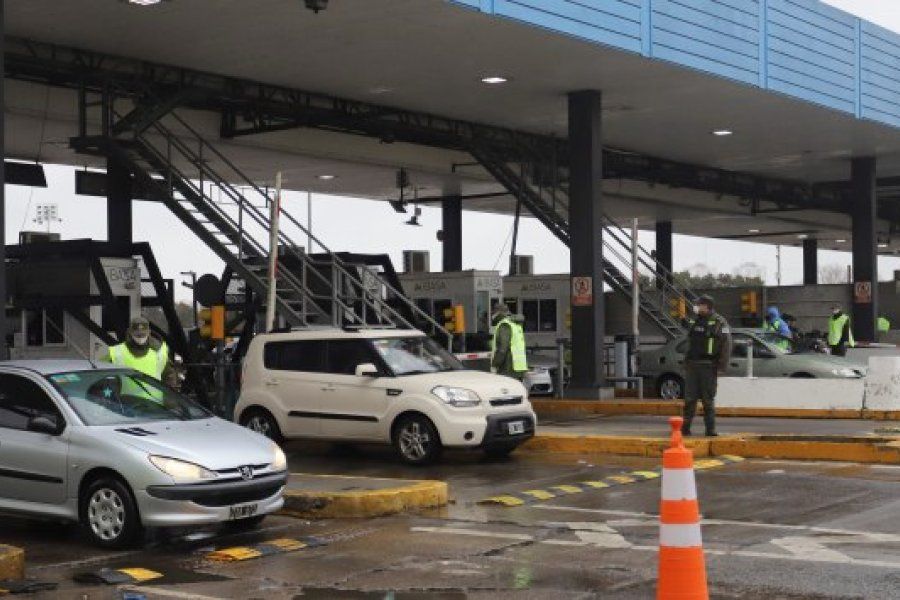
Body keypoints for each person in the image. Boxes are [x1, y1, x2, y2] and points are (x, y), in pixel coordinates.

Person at [682, 295, 731, 437]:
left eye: (699, 304)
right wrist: (686, 362)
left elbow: (726, 345)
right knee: (689, 399)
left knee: (707, 400)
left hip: (709, 366)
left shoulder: (719, 322)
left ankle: (710, 430)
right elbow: (690, 342)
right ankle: (685, 428)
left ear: (706, 306)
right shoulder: (694, 320)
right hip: (692, 365)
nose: (696, 307)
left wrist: (722, 366)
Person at [104, 317, 176, 385]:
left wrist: (169, 392)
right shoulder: (116, 352)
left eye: (143, 335)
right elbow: (100, 371)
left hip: (153, 394)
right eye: (137, 335)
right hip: (125, 394)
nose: (140, 338)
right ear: (130, 332)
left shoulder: (160, 352)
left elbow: (169, 376)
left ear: (149, 332)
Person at [490, 303, 528, 380]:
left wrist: (495, 364)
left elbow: (502, 349)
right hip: (519, 367)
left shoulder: (504, 325)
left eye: (493, 312)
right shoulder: (515, 324)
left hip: (508, 367)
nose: (492, 315)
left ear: (498, 313)